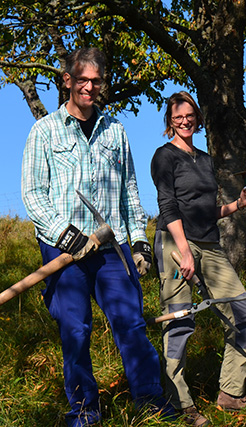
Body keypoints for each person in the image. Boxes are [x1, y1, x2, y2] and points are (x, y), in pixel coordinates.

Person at [21, 48, 174, 427]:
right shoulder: (45, 131)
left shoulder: (115, 132)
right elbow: (32, 192)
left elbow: (130, 191)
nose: (89, 87)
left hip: (111, 248)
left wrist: (138, 239)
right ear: (68, 81)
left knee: (131, 322)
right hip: (63, 249)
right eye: (82, 79)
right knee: (75, 329)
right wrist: (64, 234)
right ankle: (85, 412)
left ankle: (150, 402)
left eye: (96, 80)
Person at [151, 91, 246, 424]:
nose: (184, 121)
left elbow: (204, 209)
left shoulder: (203, 159)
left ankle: (230, 391)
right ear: (169, 122)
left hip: (210, 244)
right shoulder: (164, 156)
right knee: (180, 320)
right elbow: (169, 206)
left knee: (244, 314)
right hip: (175, 244)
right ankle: (181, 403)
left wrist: (237, 205)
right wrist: (184, 252)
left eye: (189, 116)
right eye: (177, 117)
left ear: (197, 118)